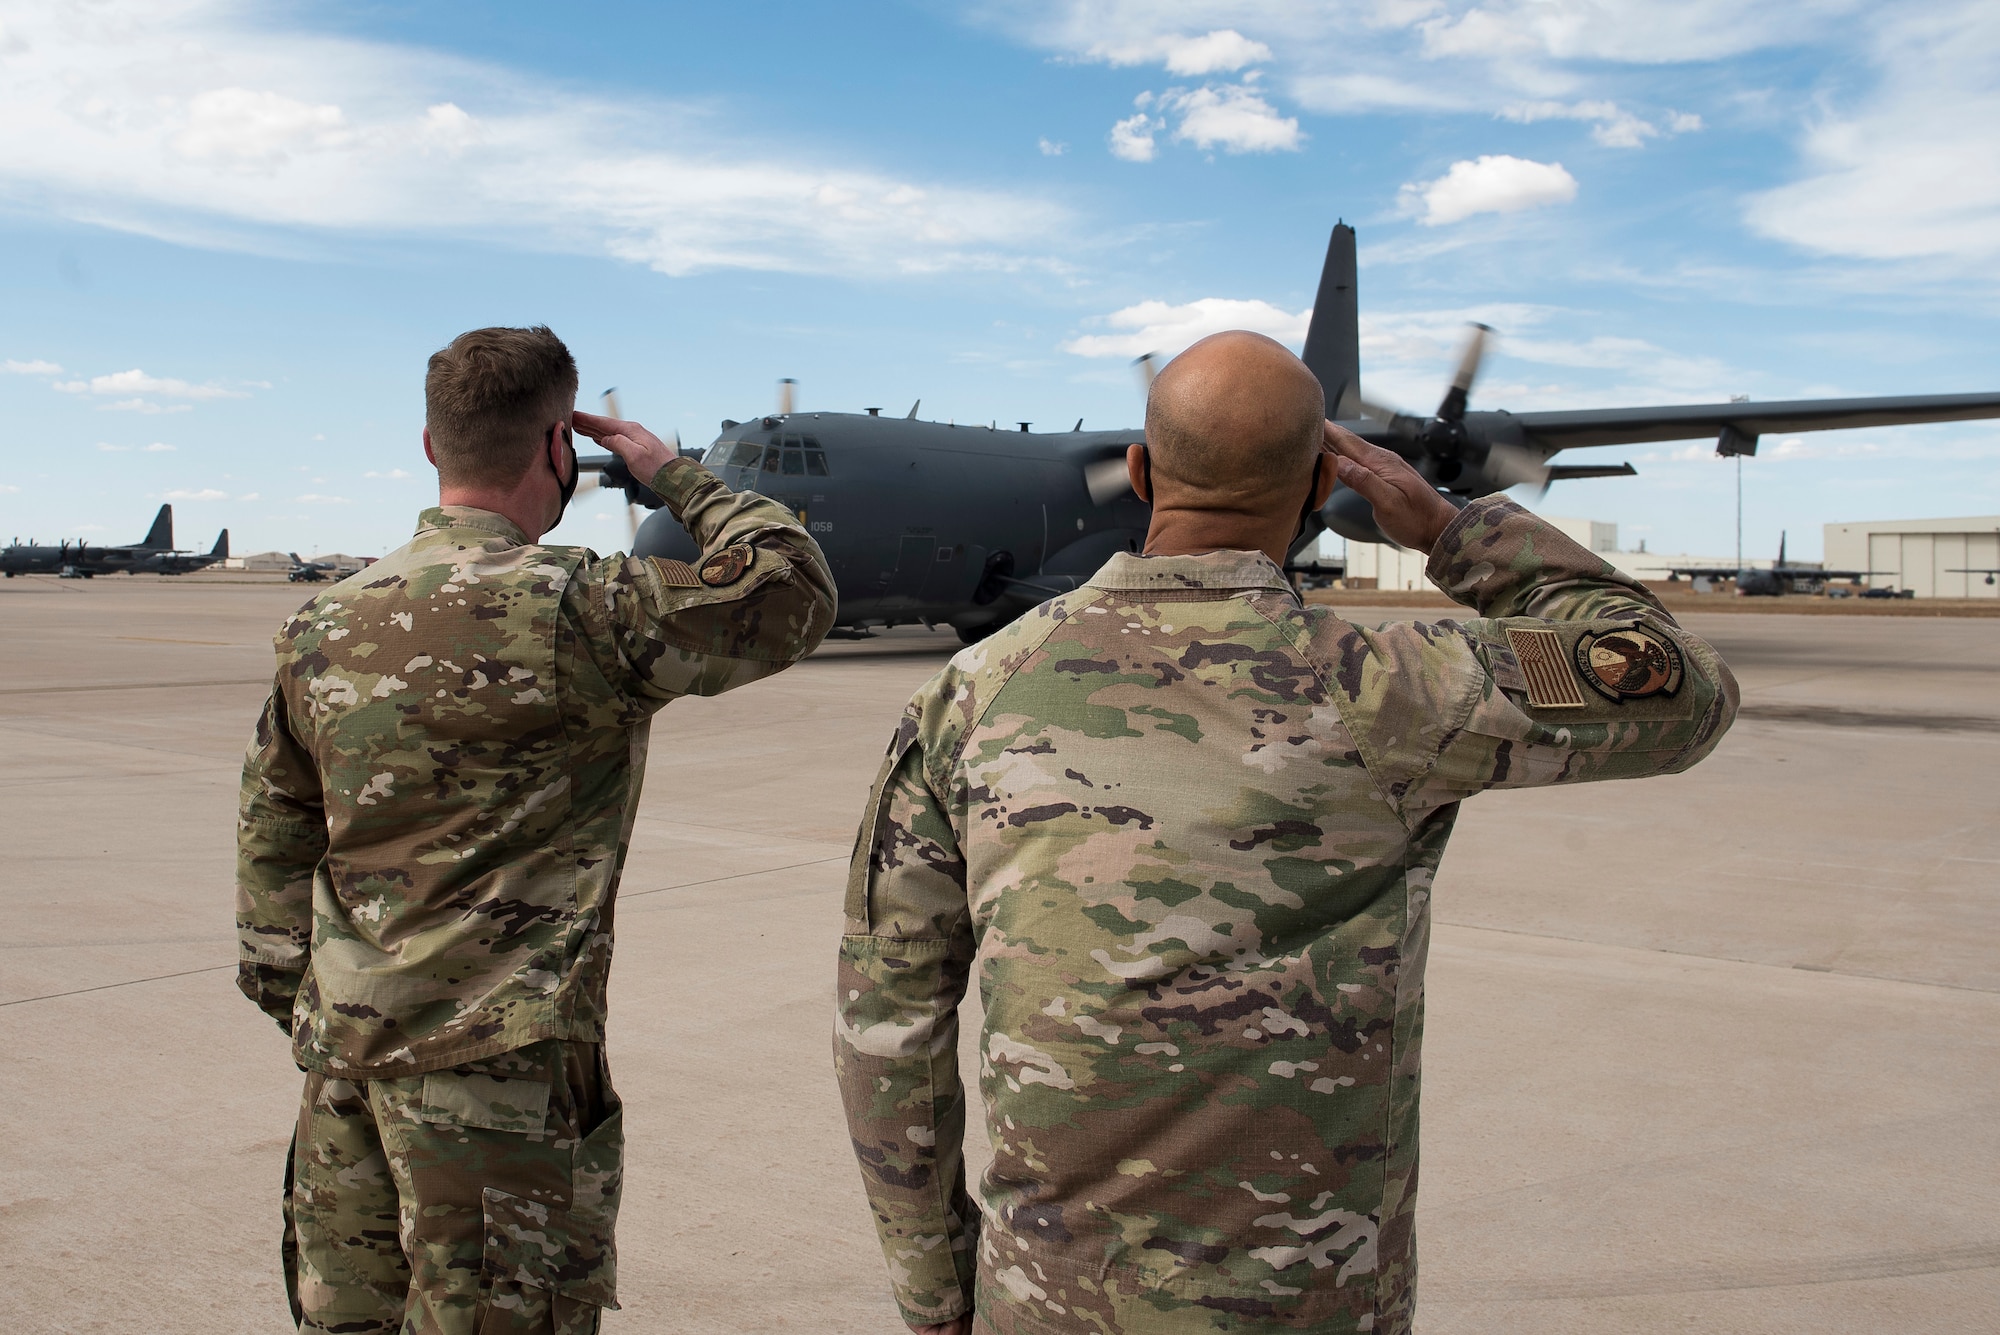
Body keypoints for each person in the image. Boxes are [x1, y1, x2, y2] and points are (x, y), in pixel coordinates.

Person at [833, 330, 1737, 1335]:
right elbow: (1675, 683)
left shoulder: (963, 700)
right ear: (1323, 487)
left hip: (1045, 1303)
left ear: (1136, 472)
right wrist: (1444, 526)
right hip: (1311, 1307)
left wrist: (935, 1297)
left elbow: (888, 1032)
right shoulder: (1395, 688)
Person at [236, 325, 836, 1333]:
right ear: (562, 449)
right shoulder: (585, 608)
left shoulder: (323, 622)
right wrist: (677, 477)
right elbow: (791, 589)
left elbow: (275, 831)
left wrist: (310, 1003)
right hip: (499, 1078)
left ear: (432, 449)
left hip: (342, 1065)